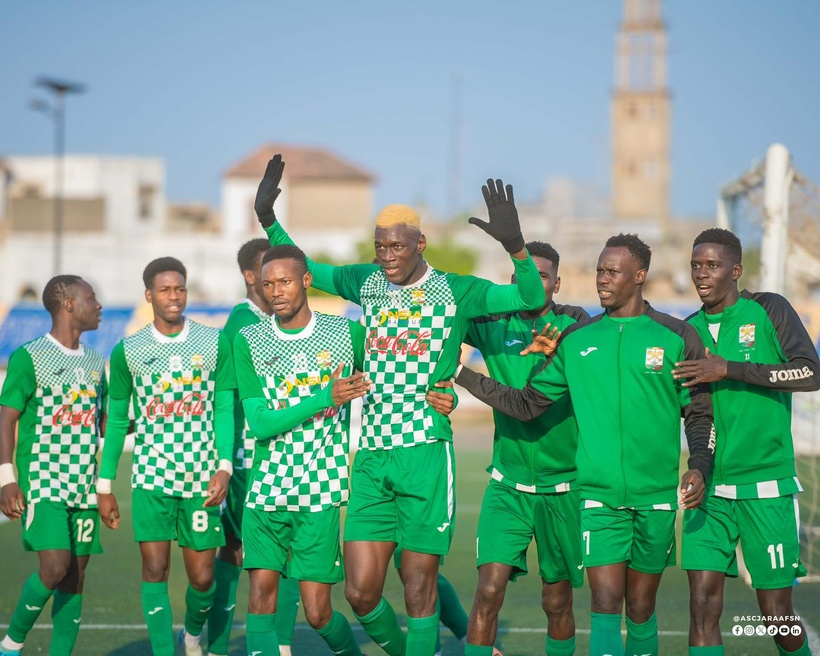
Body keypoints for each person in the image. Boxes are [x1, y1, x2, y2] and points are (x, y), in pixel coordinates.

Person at [254, 154, 546, 656]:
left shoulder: (458, 291)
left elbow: (530, 293)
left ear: (420, 244)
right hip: (370, 457)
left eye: (396, 246)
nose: (387, 255)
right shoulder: (365, 281)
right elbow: (302, 267)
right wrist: (268, 219)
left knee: (417, 587)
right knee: (360, 593)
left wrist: (515, 246)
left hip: (425, 454)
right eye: (380, 246)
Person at [456, 234, 715, 656]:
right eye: (599, 271)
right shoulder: (577, 340)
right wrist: (461, 374)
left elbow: (699, 413)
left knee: (642, 608)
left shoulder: (675, 335)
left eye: (612, 271)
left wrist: (700, 465)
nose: (602, 279)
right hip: (595, 497)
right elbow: (526, 403)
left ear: (640, 276)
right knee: (605, 605)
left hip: (655, 498)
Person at [673, 228, 819, 656]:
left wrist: (730, 369)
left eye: (713, 265)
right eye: (697, 265)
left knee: (776, 617)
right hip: (712, 493)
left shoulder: (769, 310)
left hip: (767, 488)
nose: (702, 274)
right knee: (701, 606)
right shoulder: (687, 332)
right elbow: (698, 415)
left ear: (735, 270)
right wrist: (698, 465)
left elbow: (809, 373)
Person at [233, 244, 373, 656]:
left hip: (320, 493)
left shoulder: (347, 334)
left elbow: (387, 378)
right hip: (265, 490)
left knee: (317, 612)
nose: (276, 291)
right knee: (261, 595)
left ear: (306, 281)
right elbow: (260, 423)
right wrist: (324, 397)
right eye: (268, 283)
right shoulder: (248, 340)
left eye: (285, 281)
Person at [95, 257, 235, 656]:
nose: (174, 297)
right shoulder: (129, 351)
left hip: (202, 480)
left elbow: (224, 408)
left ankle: (191, 637)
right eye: (165, 290)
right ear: (149, 295)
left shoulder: (213, 342)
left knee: (203, 579)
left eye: (180, 289)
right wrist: (104, 486)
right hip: (152, 479)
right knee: (155, 569)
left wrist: (224, 467)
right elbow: (118, 420)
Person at [462, 241, 588, 656]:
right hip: (507, 485)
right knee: (488, 592)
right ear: (513, 281)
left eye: (543, 275)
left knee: (557, 601)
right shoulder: (491, 323)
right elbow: (443, 319)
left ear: (557, 282)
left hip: (564, 488)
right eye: (523, 275)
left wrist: (560, 353)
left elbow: (534, 403)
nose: (533, 282)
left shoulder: (574, 325)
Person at [0, 276, 106, 656]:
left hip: (84, 483)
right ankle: (10, 645)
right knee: (55, 568)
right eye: (91, 298)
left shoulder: (95, 362)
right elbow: (6, 418)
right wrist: (7, 479)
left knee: (75, 578)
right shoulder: (29, 357)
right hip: (43, 481)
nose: (98, 305)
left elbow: (106, 421)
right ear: (68, 305)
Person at [207, 238, 301, 656]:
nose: (276, 284)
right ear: (251, 276)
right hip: (253, 456)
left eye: (284, 276)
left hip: (291, 453)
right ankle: (228, 643)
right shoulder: (244, 325)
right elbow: (225, 398)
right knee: (249, 554)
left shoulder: (281, 321)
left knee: (254, 552)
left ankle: (232, 643)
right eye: (268, 274)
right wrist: (226, 461)